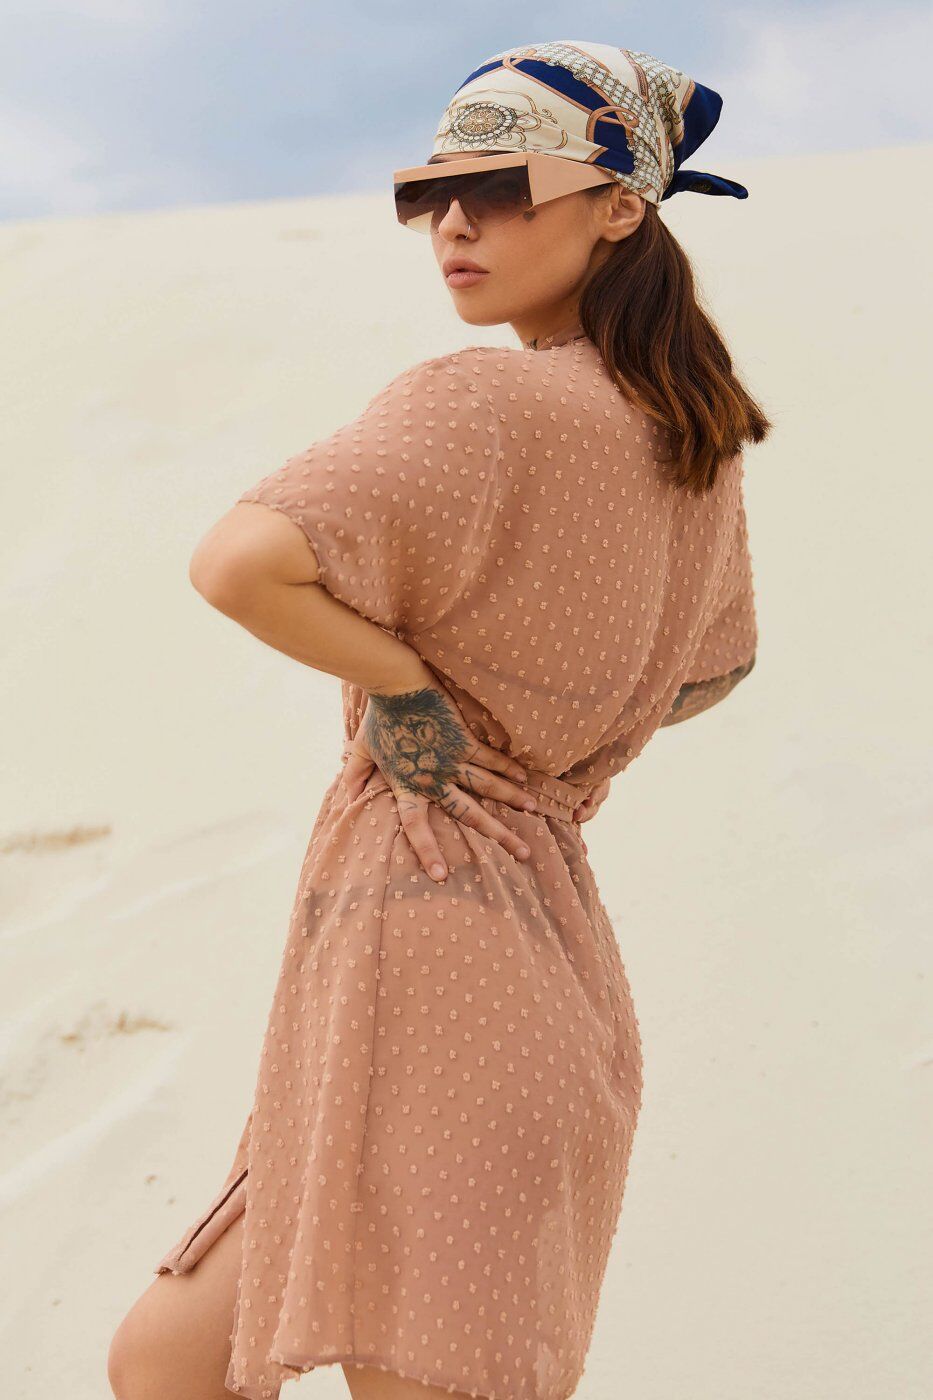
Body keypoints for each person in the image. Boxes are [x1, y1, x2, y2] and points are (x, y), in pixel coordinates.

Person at [108, 40, 768, 1400]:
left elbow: (239, 564)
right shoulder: (687, 446)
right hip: (541, 960)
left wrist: (409, 687)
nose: (454, 224)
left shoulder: (481, 399)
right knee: (171, 1358)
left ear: (619, 207)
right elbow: (711, 673)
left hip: (429, 943)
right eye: (428, 195)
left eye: (502, 188)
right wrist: (554, 754)